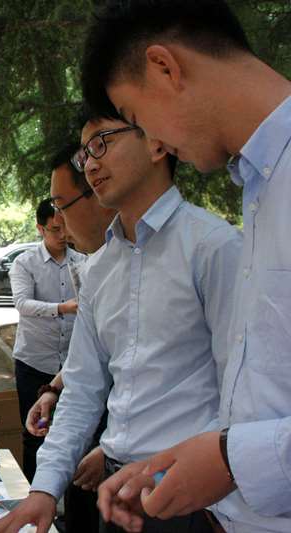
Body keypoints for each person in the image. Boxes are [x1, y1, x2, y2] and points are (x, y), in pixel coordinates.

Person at [81, 2, 291, 531]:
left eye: (134, 118)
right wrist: (207, 461)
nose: (156, 141)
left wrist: (230, 460)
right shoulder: (262, 188)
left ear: (164, 67)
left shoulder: (219, 234)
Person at [0, 111, 242, 533]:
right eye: (85, 153)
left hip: (192, 493)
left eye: (102, 143)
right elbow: (83, 388)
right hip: (117, 489)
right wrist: (45, 489)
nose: (90, 164)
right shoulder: (100, 268)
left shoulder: (213, 247)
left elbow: (243, 390)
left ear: (157, 143)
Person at [24, 142, 118, 533]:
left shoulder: (206, 250)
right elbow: (85, 373)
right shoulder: (98, 271)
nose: (61, 225)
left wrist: (111, 449)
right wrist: (53, 389)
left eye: (62, 207)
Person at [9, 198, 85, 483]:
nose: (63, 235)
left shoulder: (82, 261)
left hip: (72, 364)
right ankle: (34, 494)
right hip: (35, 362)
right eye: (55, 229)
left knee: (73, 436)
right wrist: (62, 308)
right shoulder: (25, 263)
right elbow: (22, 303)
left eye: (66, 227)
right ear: (40, 229)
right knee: (35, 433)